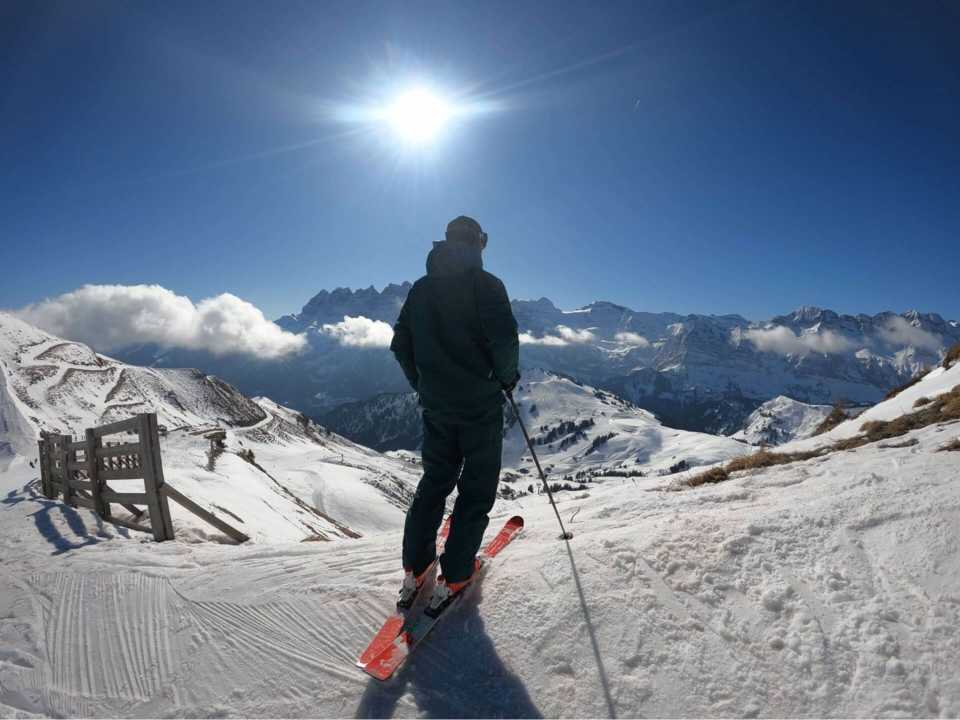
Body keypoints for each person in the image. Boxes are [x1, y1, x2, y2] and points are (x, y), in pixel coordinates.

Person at [389, 215, 520, 615]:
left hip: (437, 407)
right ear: (479, 243)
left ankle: (416, 566)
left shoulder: (422, 290)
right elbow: (504, 340)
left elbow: (400, 346)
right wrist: (506, 378)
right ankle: (457, 572)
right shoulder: (487, 285)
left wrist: (424, 385)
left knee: (435, 481)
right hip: (479, 406)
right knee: (476, 487)